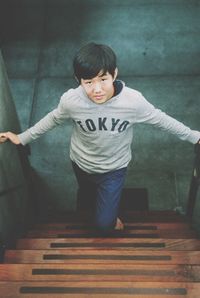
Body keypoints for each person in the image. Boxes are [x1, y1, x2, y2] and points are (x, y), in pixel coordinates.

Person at [0, 42, 200, 234]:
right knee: (88, 197)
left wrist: (194, 136)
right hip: (81, 163)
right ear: (79, 80)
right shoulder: (71, 101)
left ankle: (107, 216)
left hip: (114, 169)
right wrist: (22, 137)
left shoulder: (133, 102)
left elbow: (162, 119)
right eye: (88, 82)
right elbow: (53, 119)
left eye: (103, 79)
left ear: (114, 74)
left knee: (104, 225)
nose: (97, 89)